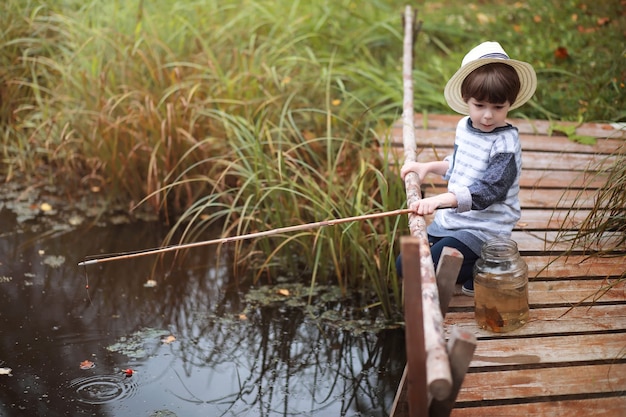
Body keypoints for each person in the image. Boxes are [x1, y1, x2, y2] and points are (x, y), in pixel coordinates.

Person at [397, 41, 537, 296]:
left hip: (483, 230)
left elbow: (488, 189)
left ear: (510, 103)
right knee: (405, 264)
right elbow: (460, 165)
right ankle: (478, 267)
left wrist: (441, 199)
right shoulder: (465, 126)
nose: (487, 116)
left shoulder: (505, 143)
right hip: (453, 220)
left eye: (498, 107)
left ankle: (492, 267)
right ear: (466, 99)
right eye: (479, 105)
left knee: (425, 266)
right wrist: (428, 166)